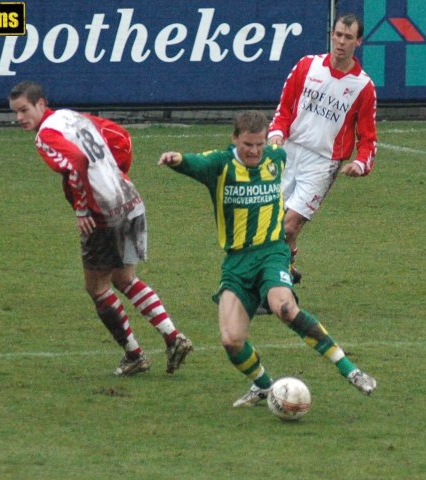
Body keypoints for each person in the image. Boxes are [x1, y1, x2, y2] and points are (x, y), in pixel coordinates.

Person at [158, 111, 376, 407]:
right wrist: (177, 160)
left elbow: (287, 147)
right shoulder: (220, 165)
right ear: (234, 139)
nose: (254, 151)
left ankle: (350, 370)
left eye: (259, 144)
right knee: (231, 340)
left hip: (273, 252)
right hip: (236, 262)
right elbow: (195, 162)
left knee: (285, 308)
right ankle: (263, 385)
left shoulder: (276, 157)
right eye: (248, 144)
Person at [8, 80, 193, 376]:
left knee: (97, 286)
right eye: (15, 112)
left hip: (102, 213)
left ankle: (134, 355)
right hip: (130, 200)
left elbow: (77, 161)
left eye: (23, 110)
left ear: (41, 104)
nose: (19, 118)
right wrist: (116, 176)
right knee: (125, 279)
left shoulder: (47, 135)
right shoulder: (73, 116)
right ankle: (173, 337)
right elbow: (120, 136)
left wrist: (83, 207)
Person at [268, 13, 378, 283]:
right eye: (338, 35)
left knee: (289, 225)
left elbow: (368, 137)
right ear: (332, 34)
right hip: (289, 153)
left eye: (348, 37)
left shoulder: (363, 87)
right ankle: (288, 266)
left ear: (358, 42)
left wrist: (361, 164)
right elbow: (284, 108)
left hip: (322, 164)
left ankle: (273, 290)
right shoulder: (307, 66)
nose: (341, 42)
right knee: (270, 224)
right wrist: (277, 134)